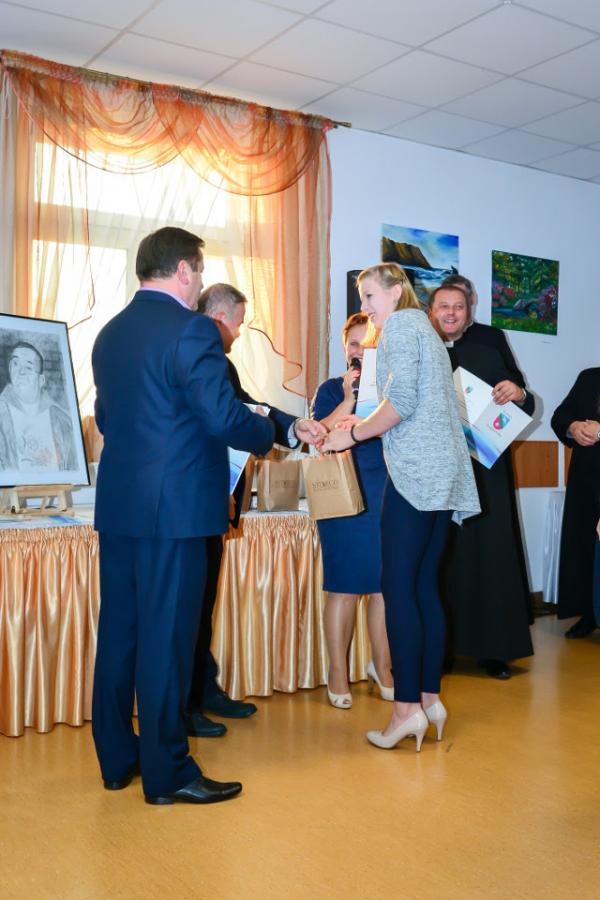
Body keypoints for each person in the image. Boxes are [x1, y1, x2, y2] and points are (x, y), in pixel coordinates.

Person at [91, 227, 275, 805]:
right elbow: (222, 417)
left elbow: (107, 419)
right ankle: (168, 773)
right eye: (198, 270)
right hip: (175, 512)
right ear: (185, 271)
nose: (198, 281)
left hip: (120, 506)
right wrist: (269, 429)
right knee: (168, 641)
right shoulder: (193, 329)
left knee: (119, 635)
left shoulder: (110, 333)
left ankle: (117, 759)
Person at [322, 263, 479, 752]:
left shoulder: (400, 327)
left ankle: (406, 710)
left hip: (416, 476)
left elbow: (402, 402)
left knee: (398, 588)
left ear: (395, 292)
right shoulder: (426, 331)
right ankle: (430, 699)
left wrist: (353, 433)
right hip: (443, 474)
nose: (365, 307)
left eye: (370, 296)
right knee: (423, 586)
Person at [186, 282, 325, 736]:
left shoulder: (219, 362)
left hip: (213, 500)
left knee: (202, 604)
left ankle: (202, 689)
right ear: (218, 318)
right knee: (189, 608)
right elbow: (233, 417)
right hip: (193, 498)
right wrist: (280, 430)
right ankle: (186, 704)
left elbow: (247, 405)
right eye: (238, 323)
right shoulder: (199, 356)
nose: (239, 333)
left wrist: (293, 426)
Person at [427, 275, 534, 680]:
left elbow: (521, 397)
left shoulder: (489, 344)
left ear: (469, 309)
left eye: (458, 306)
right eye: (443, 306)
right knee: (439, 556)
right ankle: (439, 651)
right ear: (431, 312)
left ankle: (494, 650)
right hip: (436, 468)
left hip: (485, 468)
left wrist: (518, 393)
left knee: (490, 555)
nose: (451, 313)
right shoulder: (421, 346)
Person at [312, 312, 392, 709]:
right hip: (341, 494)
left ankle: (383, 668)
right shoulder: (330, 389)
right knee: (343, 587)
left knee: (383, 588)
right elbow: (318, 437)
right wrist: (347, 399)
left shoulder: (391, 390)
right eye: (354, 343)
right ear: (345, 348)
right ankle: (338, 672)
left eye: (368, 343)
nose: (360, 350)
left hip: (386, 491)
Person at [551, 367, 600, 637]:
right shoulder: (589, 377)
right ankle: (589, 614)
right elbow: (560, 416)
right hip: (585, 479)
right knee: (584, 547)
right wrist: (573, 427)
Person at [0, 341, 77, 471]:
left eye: (29, 367)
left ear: (41, 380)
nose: (21, 372)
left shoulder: (63, 421)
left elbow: (72, 466)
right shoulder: (2, 414)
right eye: (15, 364)